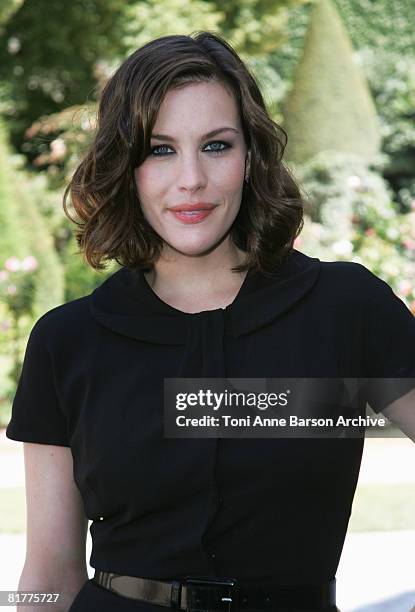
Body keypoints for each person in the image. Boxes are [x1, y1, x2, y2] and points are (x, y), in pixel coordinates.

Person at [5, 30, 415, 612]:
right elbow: (48, 572)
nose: (190, 179)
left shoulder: (346, 308)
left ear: (250, 158)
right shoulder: (67, 340)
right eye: (160, 149)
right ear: (128, 166)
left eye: (216, 146)